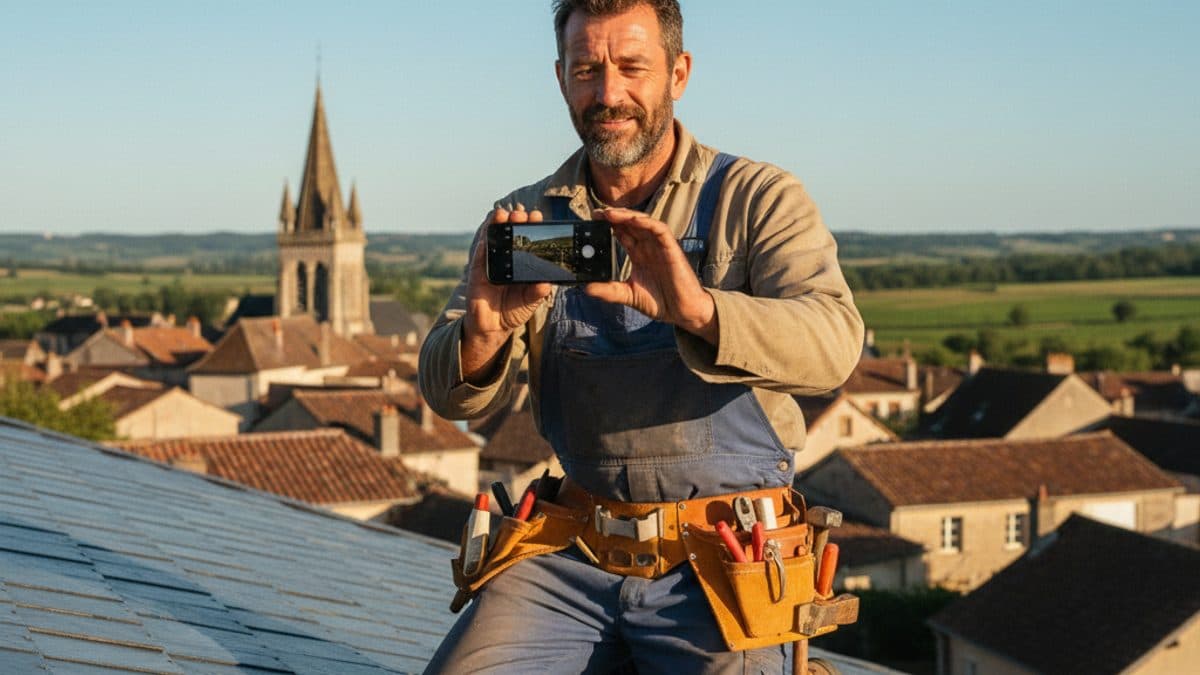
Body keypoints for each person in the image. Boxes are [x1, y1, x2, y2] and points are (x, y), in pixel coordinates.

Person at [419, 1, 863, 672]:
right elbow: (447, 394)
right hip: (573, 554)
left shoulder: (756, 199)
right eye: (587, 70)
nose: (609, 94)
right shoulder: (531, 216)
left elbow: (834, 343)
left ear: (678, 73)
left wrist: (701, 311)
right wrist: (484, 333)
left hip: (723, 564)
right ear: (561, 78)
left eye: (632, 67)